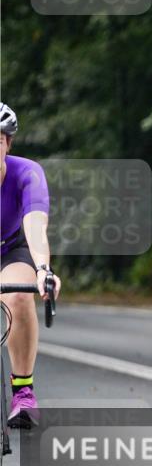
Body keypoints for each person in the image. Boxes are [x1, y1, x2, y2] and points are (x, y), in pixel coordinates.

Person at [0, 102, 61, 429]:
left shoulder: (28, 173)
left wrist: (43, 270)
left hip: (12, 248)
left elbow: (35, 226)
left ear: (8, 144)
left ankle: (23, 393)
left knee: (19, 297)